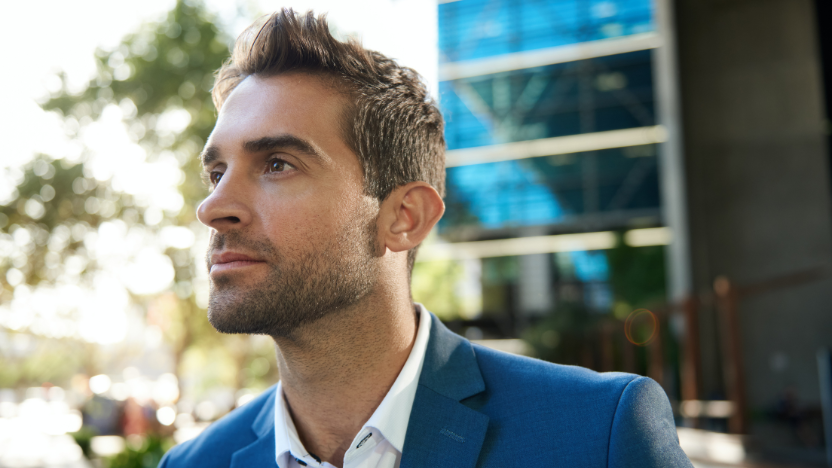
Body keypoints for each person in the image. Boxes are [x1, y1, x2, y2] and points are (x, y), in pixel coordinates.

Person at [159, 9, 693, 468]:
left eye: (277, 163)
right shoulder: (191, 463)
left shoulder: (596, 435)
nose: (213, 208)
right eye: (217, 173)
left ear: (405, 217)